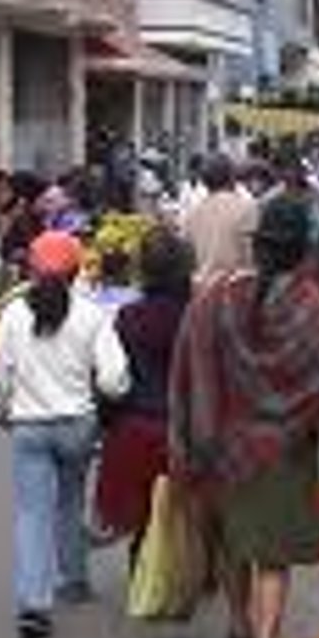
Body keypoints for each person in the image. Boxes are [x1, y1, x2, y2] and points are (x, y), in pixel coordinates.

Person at [169, 196, 319, 638]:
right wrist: (293, 413)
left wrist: (198, 429)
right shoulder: (308, 301)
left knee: (232, 543)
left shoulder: (217, 299)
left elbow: (191, 362)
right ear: (300, 251)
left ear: (260, 248)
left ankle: (238, 622)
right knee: (273, 553)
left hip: (225, 443)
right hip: (284, 448)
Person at [0, 231, 129, 638]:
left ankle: (34, 602)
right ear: (75, 271)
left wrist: (1, 413)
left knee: (32, 512)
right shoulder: (91, 315)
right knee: (69, 500)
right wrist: (104, 400)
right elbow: (115, 378)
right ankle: (74, 578)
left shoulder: (13, 315)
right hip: (77, 425)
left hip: (29, 426)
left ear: (31, 269)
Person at [95, 229, 194, 566]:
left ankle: (144, 565)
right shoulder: (197, 314)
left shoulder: (129, 317)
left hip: (136, 423)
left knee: (143, 512)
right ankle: (194, 569)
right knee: (193, 509)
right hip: (188, 425)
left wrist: (106, 421)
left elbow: (114, 376)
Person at [179, 154, 259, 283]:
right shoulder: (246, 208)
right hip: (234, 287)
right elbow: (250, 256)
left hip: (202, 289)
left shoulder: (193, 213)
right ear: (231, 178)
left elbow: (187, 256)